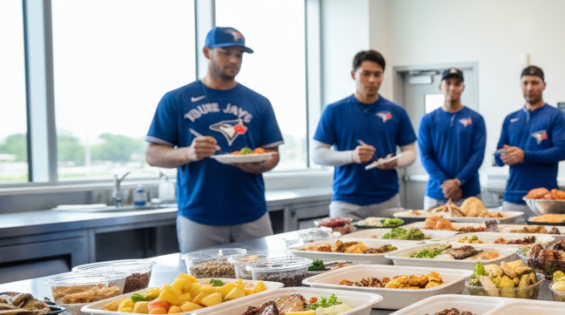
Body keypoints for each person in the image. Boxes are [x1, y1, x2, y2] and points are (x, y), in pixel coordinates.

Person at [146, 27, 283, 253]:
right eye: (226, 52)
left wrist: (260, 164)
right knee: (202, 285)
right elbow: (152, 155)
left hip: (252, 213)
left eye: (239, 55)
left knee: (262, 282)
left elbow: (273, 154)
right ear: (207, 52)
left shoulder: (259, 102)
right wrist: (188, 153)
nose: (233, 60)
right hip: (199, 215)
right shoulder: (176, 99)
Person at [311, 50, 417, 219]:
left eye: (377, 74)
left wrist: (395, 161)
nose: (372, 80)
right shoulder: (334, 111)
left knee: (392, 245)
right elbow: (317, 155)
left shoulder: (396, 112)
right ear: (354, 74)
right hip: (346, 203)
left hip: (387, 201)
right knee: (342, 246)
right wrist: (352, 156)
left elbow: (410, 152)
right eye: (366, 74)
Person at [493, 65, 565, 214]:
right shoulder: (510, 119)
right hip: (512, 198)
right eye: (525, 83)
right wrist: (504, 155)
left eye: (534, 82)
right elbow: (497, 156)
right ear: (520, 85)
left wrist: (524, 156)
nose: (529, 87)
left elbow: (561, 152)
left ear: (544, 85)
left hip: (545, 201)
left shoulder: (555, 116)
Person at [417, 68, 487, 210]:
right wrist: (445, 182)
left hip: (469, 194)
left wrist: (459, 181)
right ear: (440, 86)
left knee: (473, 232)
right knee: (431, 231)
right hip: (436, 193)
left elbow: (477, 155)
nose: (452, 87)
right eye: (448, 83)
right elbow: (425, 156)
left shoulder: (476, 119)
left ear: (463, 87)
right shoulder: (428, 120)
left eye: (457, 83)